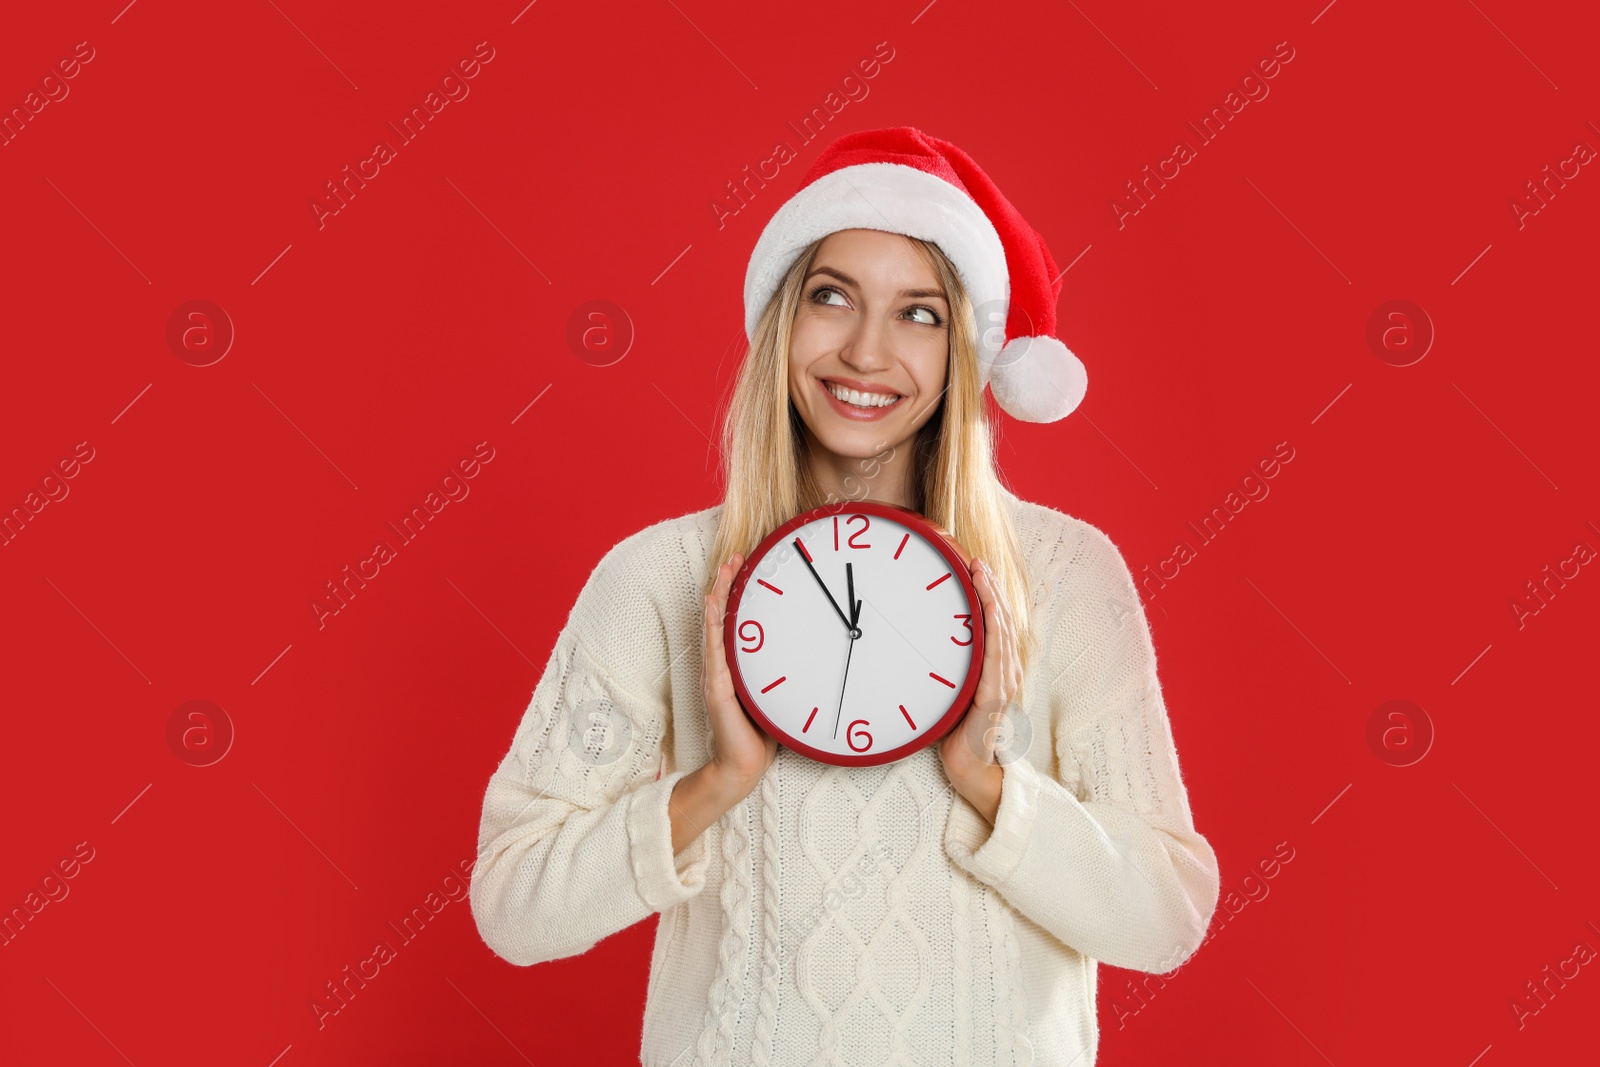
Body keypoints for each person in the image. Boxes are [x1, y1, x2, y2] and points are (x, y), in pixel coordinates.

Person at [470, 126, 1220, 1067]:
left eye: (920, 314)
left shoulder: (1064, 577)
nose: (868, 352)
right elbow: (512, 904)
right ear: (783, 317)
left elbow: (1164, 918)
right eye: (833, 298)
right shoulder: (659, 581)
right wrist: (716, 785)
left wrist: (991, 785)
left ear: (965, 348)